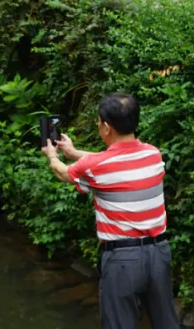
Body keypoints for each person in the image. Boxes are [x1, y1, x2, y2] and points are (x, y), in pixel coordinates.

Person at [42, 93, 179, 329]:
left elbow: (63, 172)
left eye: (98, 121)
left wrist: (53, 155)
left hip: (123, 260)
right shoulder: (152, 154)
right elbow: (113, 160)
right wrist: (74, 153)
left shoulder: (96, 168)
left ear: (106, 127)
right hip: (159, 254)